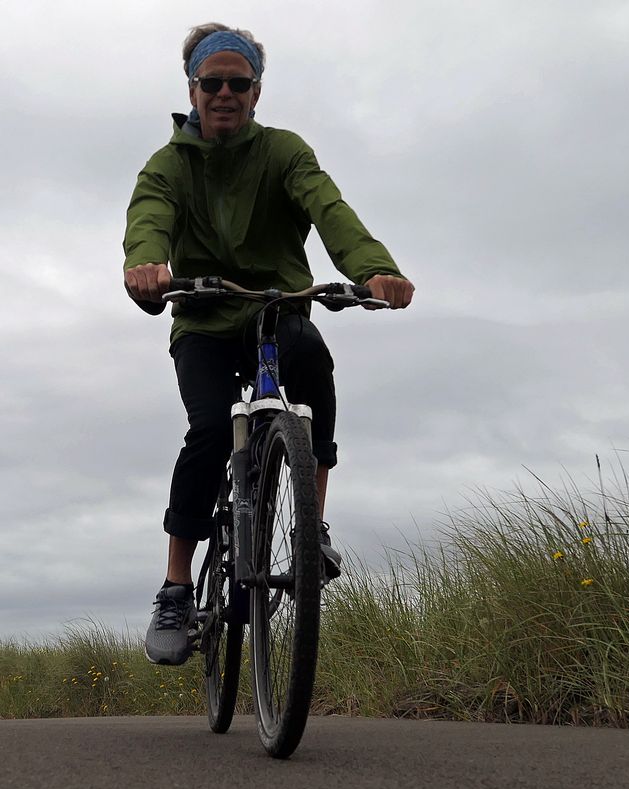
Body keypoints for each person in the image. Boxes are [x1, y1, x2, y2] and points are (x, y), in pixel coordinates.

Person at [123, 23, 416, 666]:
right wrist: (146, 267)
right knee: (206, 432)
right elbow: (149, 218)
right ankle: (175, 588)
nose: (225, 94)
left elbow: (328, 205)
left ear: (257, 92)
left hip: (277, 307)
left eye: (239, 83)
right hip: (201, 316)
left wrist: (373, 269)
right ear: (192, 90)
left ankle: (311, 528)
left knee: (312, 360)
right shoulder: (168, 165)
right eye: (212, 83)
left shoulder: (284, 152)